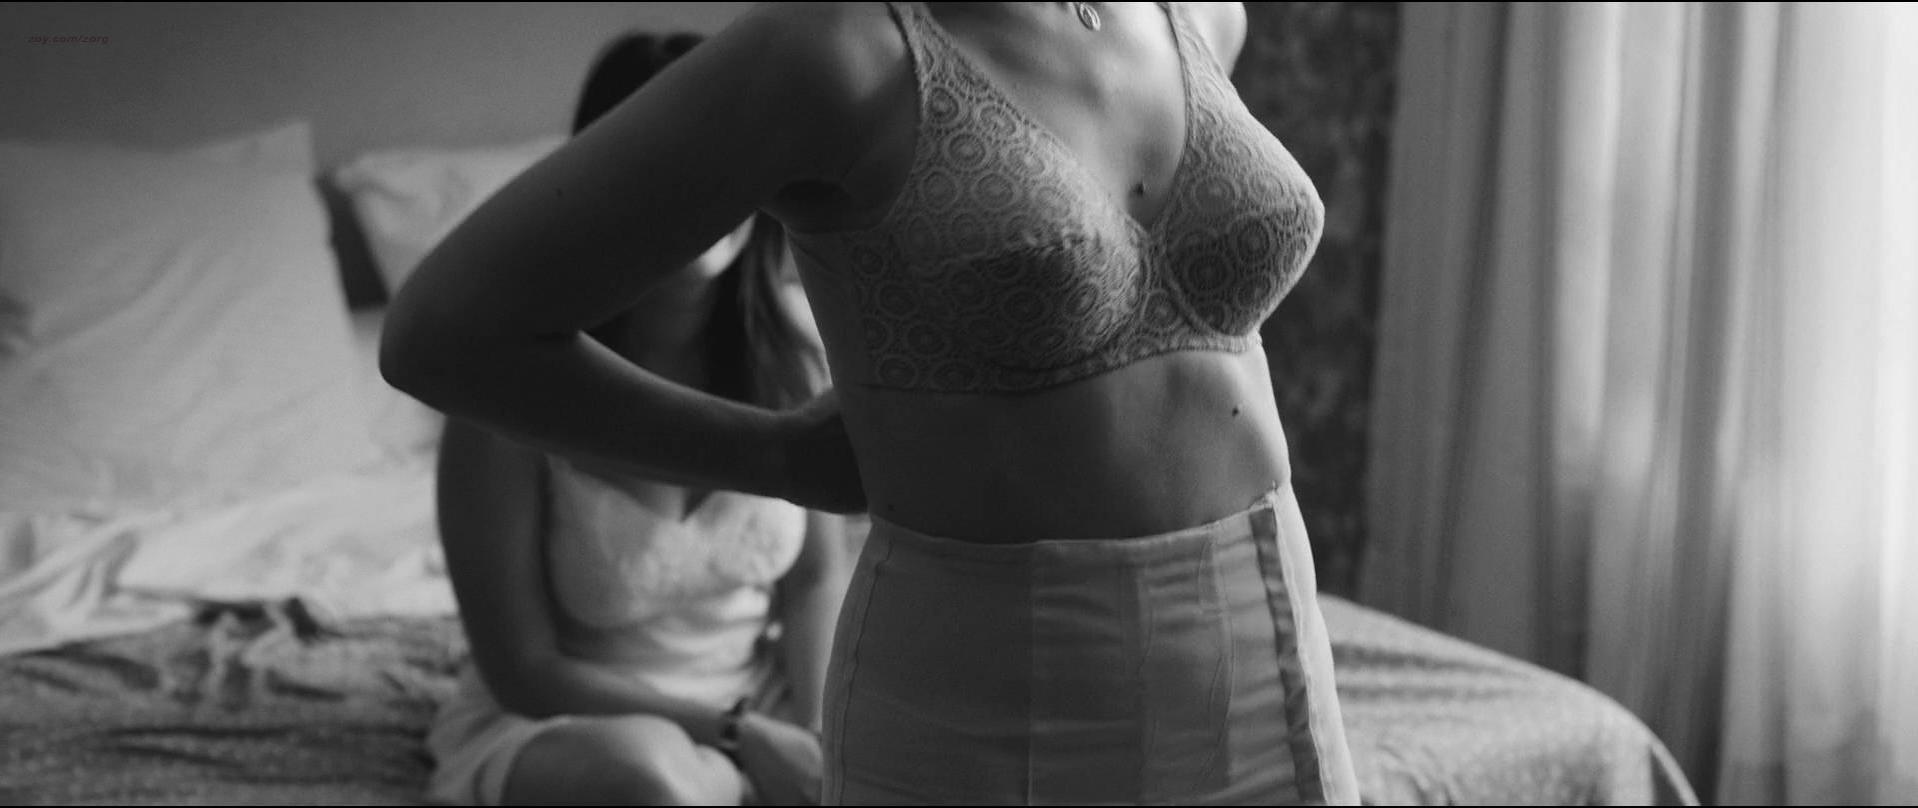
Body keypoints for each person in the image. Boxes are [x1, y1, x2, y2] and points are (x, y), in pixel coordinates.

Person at [386, 2, 1361, 804]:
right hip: (997, 689)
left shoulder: (1201, 13)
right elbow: (445, 330)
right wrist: (774, 458)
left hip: (1266, 641)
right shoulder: (828, 50)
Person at [420, 30, 848, 807]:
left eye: (730, 161)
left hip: (763, 701)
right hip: (575, 716)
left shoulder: (794, 352)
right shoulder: (508, 389)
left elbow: (816, 577)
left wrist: (820, 738)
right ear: (601, 182)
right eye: (670, 165)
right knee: (650, 786)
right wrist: (739, 736)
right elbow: (524, 669)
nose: (706, 193)